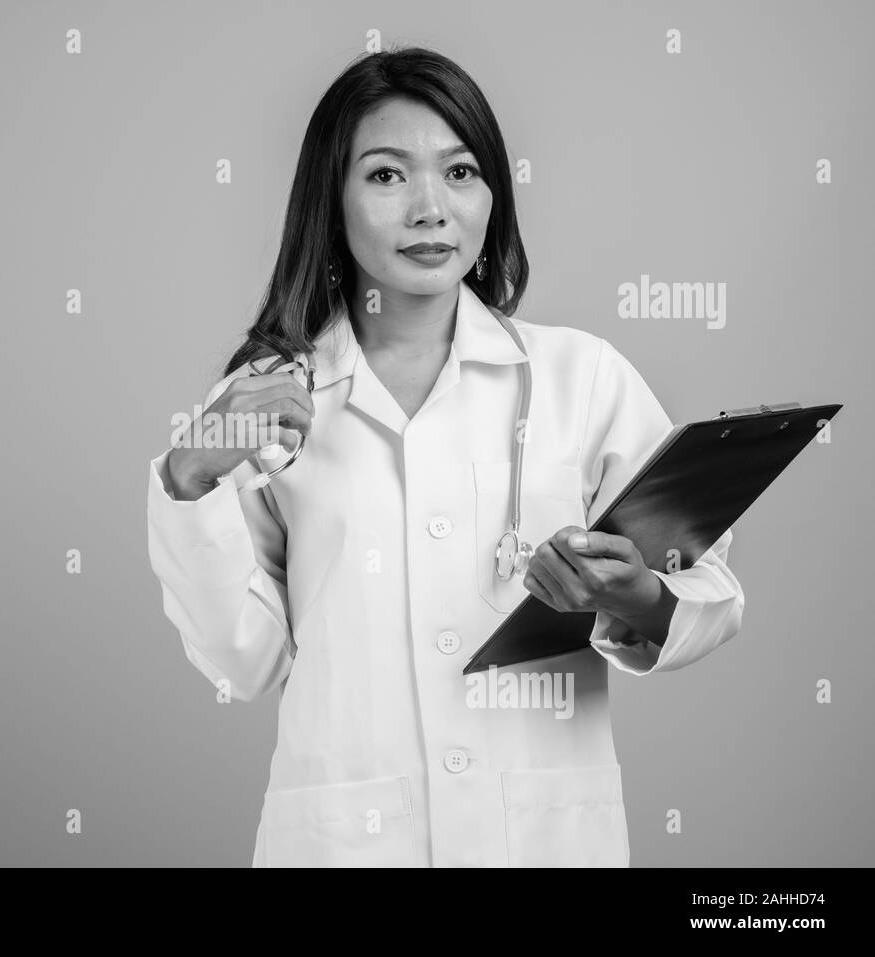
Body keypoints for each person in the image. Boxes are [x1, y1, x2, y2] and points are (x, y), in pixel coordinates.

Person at [145, 46, 745, 867]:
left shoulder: (582, 376)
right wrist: (189, 478)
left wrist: (638, 596)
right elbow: (243, 662)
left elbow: (712, 591)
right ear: (334, 197)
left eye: (460, 172)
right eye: (387, 176)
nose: (431, 209)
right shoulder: (270, 403)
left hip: (542, 836)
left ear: (493, 194)